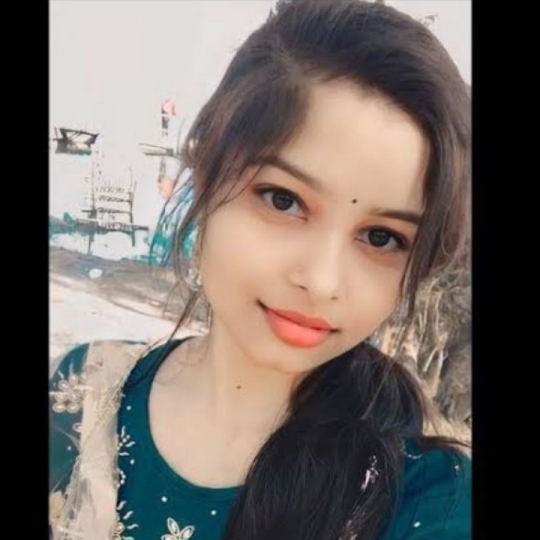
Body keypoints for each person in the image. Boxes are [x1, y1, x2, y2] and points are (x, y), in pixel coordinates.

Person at [49, 1, 471, 539]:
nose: (321, 281)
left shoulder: (432, 500)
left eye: (382, 237)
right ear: (206, 178)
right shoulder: (83, 393)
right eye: (283, 199)